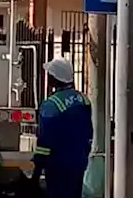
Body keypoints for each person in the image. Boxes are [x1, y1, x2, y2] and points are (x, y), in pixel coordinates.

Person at [31, 57, 92, 198]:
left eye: (50, 74)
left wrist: (36, 172)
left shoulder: (51, 105)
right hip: (79, 162)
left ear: (55, 78)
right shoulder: (83, 100)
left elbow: (44, 144)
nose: (48, 76)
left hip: (58, 166)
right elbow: (88, 132)